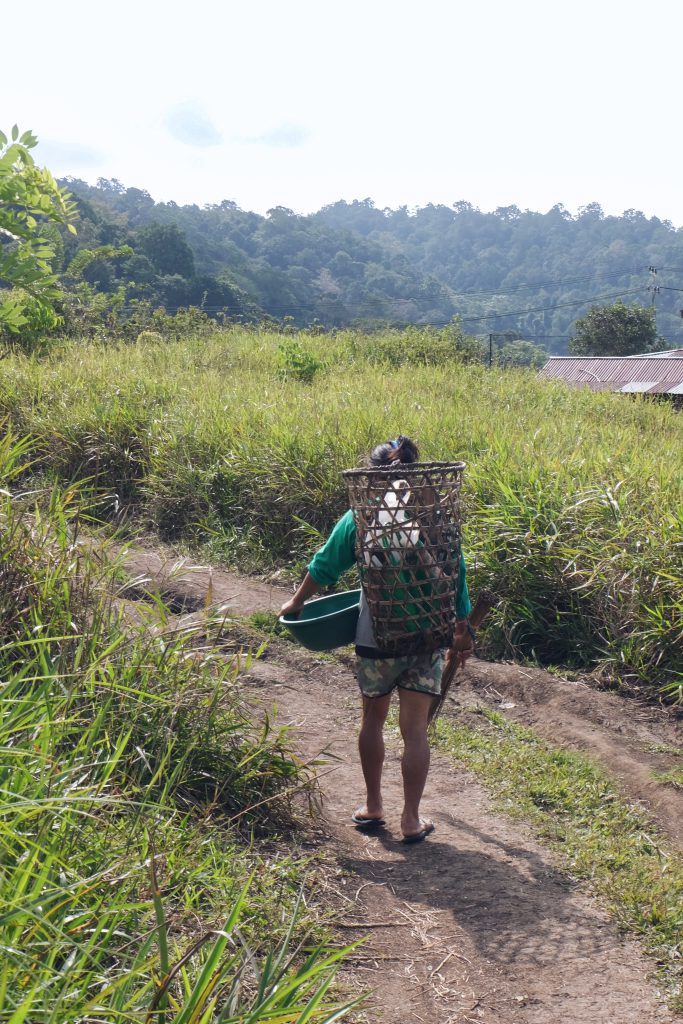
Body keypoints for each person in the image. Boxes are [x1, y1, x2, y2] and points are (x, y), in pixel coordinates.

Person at [279, 436, 474, 843]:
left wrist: (296, 603)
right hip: (428, 635)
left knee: (373, 719)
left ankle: (372, 805)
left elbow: (324, 567)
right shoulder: (437, 520)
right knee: (415, 730)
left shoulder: (361, 518)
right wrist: (461, 629)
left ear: (373, 476)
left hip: (376, 637)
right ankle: (411, 819)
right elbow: (457, 581)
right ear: (415, 474)